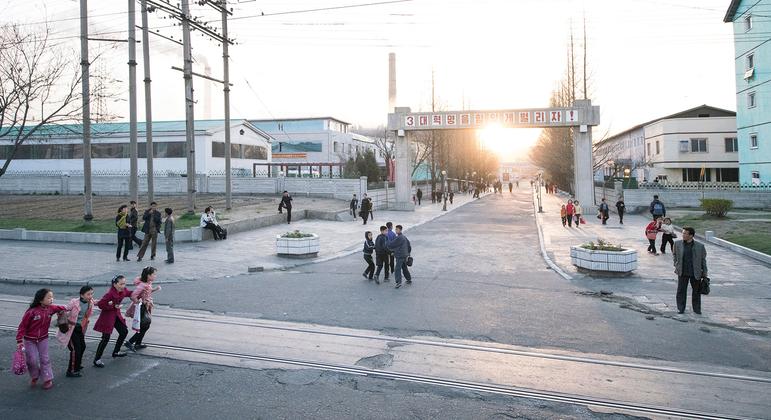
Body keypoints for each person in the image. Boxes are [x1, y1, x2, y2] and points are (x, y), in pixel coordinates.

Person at [16, 288, 68, 390]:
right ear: (40, 300)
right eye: (49, 297)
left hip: (43, 339)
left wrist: (70, 307)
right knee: (32, 360)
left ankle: (47, 378)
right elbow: (22, 326)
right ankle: (35, 376)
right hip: (29, 340)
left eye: (52, 297)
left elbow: (63, 307)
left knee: (45, 359)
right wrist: (19, 340)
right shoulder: (31, 312)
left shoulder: (51, 308)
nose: (51, 299)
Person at [92, 275, 133, 368]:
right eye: (121, 284)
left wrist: (140, 292)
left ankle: (116, 352)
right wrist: (113, 306)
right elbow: (101, 305)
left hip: (116, 315)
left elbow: (129, 293)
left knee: (124, 332)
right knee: (105, 338)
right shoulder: (109, 294)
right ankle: (97, 359)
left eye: (124, 283)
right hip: (107, 317)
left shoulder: (123, 290)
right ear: (115, 284)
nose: (123, 286)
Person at [56, 285, 94, 378]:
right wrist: (54, 309)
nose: (90, 296)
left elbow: (99, 303)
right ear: (82, 295)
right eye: (88, 294)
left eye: (91, 294)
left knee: (83, 346)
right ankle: (71, 371)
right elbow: (66, 308)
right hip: (71, 329)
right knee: (75, 350)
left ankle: (77, 364)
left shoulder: (90, 302)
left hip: (80, 328)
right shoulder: (74, 302)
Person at [673, 226, 708, 314]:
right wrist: (676, 264)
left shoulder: (700, 246)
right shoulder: (677, 244)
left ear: (691, 235)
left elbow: (703, 260)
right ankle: (681, 308)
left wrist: (705, 273)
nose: (683, 235)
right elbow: (675, 255)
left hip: (695, 272)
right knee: (681, 290)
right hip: (682, 271)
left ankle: (696, 309)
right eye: (683, 233)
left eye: (685, 233)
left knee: (696, 292)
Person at [125, 266, 161, 351]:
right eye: (154, 274)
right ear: (148, 275)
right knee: (143, 325)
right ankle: (130, 342)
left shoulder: (148, 283)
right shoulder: (143, 285)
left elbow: (147, 292)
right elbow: (133, 295)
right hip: (142, 308)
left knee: (146, 325)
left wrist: (155, 289)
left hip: (146, 306)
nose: (155, 276)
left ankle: (137, 343)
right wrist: (139, 302)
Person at [387, 224, 412, 289]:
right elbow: (409, 245)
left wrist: (387, 242)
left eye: (397, 229)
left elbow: (392, 244)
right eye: (395, 229)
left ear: (400, 230)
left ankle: (398, 282)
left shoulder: (399, 237)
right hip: (404, 255)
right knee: (404, 267)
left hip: (400, 255)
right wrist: (408, 253)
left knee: (397, 269)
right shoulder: (404, 237)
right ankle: (408, 279)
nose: (396, 230)